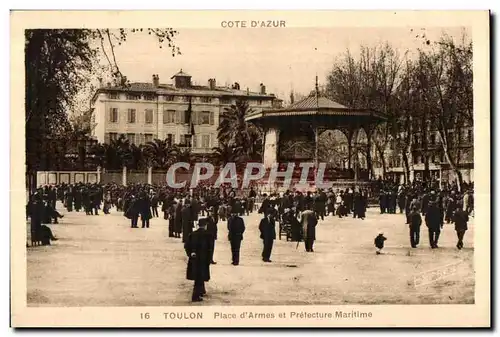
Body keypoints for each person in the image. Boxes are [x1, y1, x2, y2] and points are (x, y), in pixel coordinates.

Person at [184, 219, 213, 302]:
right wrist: (209, 259)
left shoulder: (192, 234)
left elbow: (186, 246)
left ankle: (201, 291)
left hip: (195, 259)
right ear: (205, 225)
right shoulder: (208, 235)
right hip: (204, 259)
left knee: (198, 276)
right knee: (200, 277)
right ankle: (195, 296)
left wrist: (190, 253)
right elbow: (210, 248)